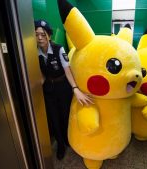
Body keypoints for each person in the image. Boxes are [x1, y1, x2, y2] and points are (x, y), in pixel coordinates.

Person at [34, 19, 93, 160]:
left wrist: (75, 88)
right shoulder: (34, 53)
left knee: (65, 114)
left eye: (43, 34)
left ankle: (68, 139)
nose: (40, 38)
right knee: (53, 117)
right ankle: (60, 144)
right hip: (48, 88)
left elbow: (67, 70)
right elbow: (40, 74)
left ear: (49, 35)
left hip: (63, 86)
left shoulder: (58, 48)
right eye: (37, 35)